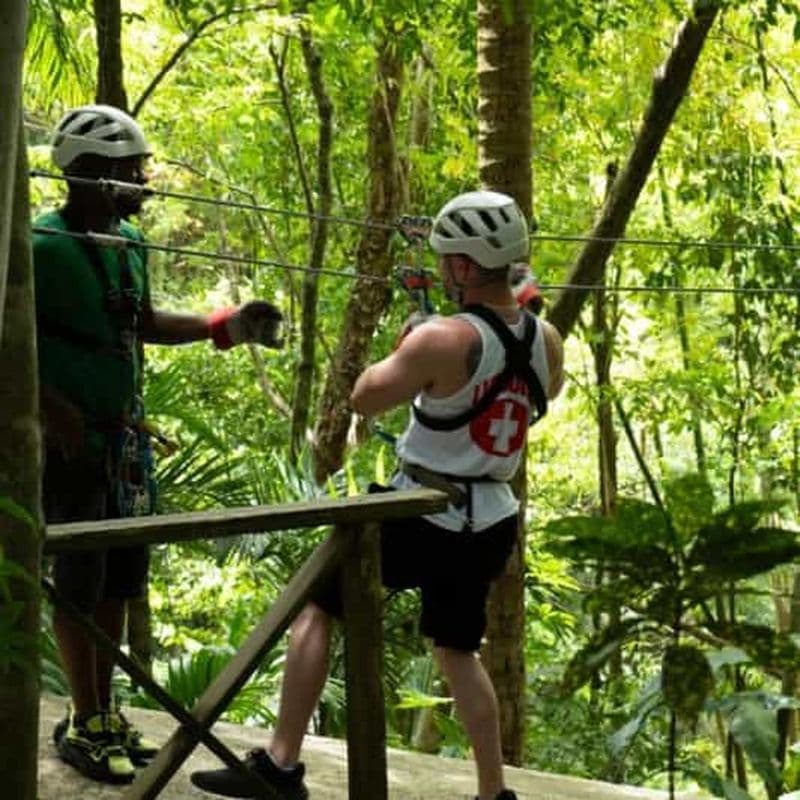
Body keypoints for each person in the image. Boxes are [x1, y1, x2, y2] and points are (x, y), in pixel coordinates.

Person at [190, 190, 564, 800]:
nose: (443, 270)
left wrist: (408, 347)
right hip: (492, 516)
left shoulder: (441, 338)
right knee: (457, 651)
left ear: (465, 267)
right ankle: (494, 793)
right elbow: (524, 408)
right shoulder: (546, 340)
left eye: (448, 260)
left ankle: (281, 765)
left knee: (317, 609)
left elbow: (365, 396)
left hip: (419, 511)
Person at [35, 104, 284, 784]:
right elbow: (8, 341)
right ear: (84, 173)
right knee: (79, 580)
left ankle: (100, 709)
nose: (143, 182)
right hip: (69, 446)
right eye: (128, 171)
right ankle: (85, 717)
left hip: (120, 442)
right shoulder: (40, 248)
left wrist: (226, 326)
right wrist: (49, 408)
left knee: (119, 579)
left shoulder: (130, 245)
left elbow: (141, 323)